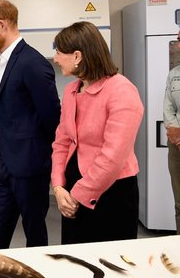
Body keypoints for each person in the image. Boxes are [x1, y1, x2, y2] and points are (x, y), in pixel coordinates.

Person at [0, 0, 61, 249]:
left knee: (34, 234)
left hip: (30, 166)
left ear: (2, 25)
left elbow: (52, 117)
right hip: (5, 164)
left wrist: (35, 153)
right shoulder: (0, 61)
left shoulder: (32, 63)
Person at [51, 21, 143, 244]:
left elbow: (113, 157)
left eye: (58, 52)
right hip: (72, 190)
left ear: (77, 56)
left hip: (111, 193)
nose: (55, 58)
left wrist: (78, 194)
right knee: (75, 259)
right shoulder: (72, 89)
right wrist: (58, 186)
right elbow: (61, 142)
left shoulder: (121, 90)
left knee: (109, 263)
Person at [164, 37, 180, 234]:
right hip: (176, 144)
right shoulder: (174, 75)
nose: (177, 44)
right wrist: (176, 134)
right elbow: (168, 107)